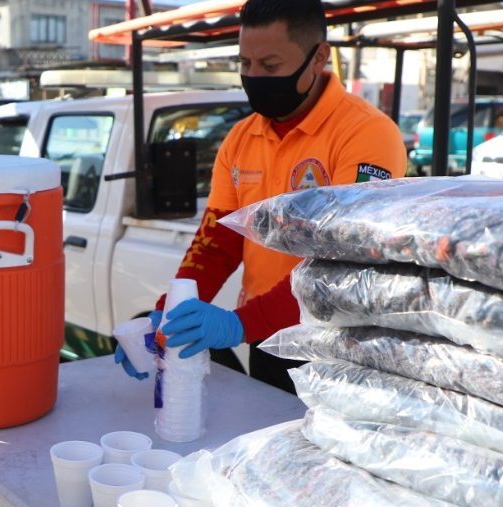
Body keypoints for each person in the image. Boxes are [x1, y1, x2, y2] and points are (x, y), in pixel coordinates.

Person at [114, 0, 406, 393]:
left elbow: (343, 258)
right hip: (267, 337)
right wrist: (166, 316)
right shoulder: (240, 138)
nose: (254, 77)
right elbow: (217, 242)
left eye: (270, 66)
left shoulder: (365, 134)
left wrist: (240, 324)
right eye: (245, 64)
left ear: (319, 56)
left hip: (337, 345)